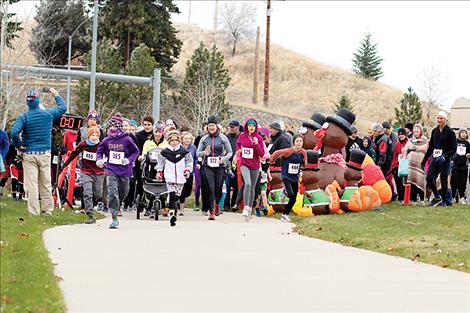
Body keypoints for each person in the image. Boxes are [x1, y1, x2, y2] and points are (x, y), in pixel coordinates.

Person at [10, 88, 66, 215]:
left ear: (27, 103)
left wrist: (19, 146)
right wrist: (55, 93)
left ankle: (34, 212)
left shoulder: (24, 116)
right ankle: (48, 210)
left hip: (29, 154)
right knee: (46, 183)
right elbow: (63, 108)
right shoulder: (48, 114)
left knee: (32, 184)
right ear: (38, 101)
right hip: (45, 154)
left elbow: (14, 132)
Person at [96, 114, 140, 228]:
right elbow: (99, 152)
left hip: (125, 170)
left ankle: (119, 204)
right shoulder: (106, 140)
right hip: (111, 169)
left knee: (123, 192)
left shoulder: (127, 139)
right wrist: (100, 160)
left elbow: (136, 152)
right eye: (110, 127)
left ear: (119, 128)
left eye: (114, 127)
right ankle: (114, 217)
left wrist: (128, 160)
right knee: (112, 193)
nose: (112, 129)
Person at [62, 122, 104, 224]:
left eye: (96, 135)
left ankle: (96, 202)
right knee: (87, 192)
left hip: (99, 172)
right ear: (88, 136)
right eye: (92, 135)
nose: (94, 138)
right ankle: (90, 215)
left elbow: (108, 156)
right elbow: (73, 154)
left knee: (98, 193)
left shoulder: (102, 145)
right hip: (86, 171)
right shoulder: (83, 144)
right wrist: (65, 164)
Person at [196, 116, 233, 220]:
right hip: (208, 166)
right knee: (211, 188)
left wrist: (224, 159)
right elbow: (197, 153)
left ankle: (217, 203)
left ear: (217, 126)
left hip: (220, 166)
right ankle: (212, 212)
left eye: (213, 125)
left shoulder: (223, 138)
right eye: (209, 126)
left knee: (218, 189)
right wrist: (204, 153)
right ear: (207, 127)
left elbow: (230, 152)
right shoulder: (204, 139)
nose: (211, 127)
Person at [156, 130, 193, 226]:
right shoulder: (164, 152)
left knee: (176, 197)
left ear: (179, 141)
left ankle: (173, 210)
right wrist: (159, 171)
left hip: (180, 178)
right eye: (172, 140)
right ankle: (172, 215)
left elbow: (189, 162)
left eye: (176, 140)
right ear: (168, 141)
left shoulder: (184, 152)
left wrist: (187, 170)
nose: (174, 142)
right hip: (169, 177)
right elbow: (160, 163)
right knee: (172, 195)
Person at [236, 118, 269, 221]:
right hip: (244, 164)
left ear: (255, 128)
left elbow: (262, 154)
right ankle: (246, 207)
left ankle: (250, 208)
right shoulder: (242, 136)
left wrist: (256, 144)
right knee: (248, 184)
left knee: (252, 188)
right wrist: (239, 150)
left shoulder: (258, 138)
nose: (251, 127)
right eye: (250, 126)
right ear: (246, 126)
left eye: (253, 126)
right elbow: (238, 144)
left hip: (255, 165)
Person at [421, 111, 457, 207]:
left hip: (445, 159)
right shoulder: (434, 131)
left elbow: (454, 149)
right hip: (435, 158)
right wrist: (424, 160)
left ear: (446, 119)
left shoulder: (450, 132)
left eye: (441, 118)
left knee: (443, 179)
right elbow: (431, 147)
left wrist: (445, 156)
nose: (439, 120)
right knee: (429, 178)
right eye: (438, 118)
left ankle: (444, 201)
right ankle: (437, 196)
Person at [269, 134, 307, 222]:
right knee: (290, 194)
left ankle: (285, 215)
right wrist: (272, 160)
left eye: (301, 141)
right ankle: (285, 192)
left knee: (294, 198)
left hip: (295, 177)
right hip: (286, 175)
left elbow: (305, 162)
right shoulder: (288, 151)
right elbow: (277, 153)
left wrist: (304, 164)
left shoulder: (303, 152)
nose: (299, 143)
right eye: (297, 141)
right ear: (293, 142)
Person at [403, 124, 428, 204]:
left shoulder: (425, 140)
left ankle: (422, 199)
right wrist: (409, 149)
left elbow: (425, 150)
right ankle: (413, 200)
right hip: (411, 165)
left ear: (421, 131)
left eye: (417, 131)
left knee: (420, 181)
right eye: (415, 131)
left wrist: (416, 148)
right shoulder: (410, 141)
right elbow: (404, 150)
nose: (416, 132)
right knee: (412, 181)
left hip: (420, 164)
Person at [179, 131, 197, 215]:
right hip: (180, 171)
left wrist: (197, 164)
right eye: (185, 138)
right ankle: (181, 208)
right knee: (182, 190)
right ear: (182, 140)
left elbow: (195, 157)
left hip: (190, 171)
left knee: (188, 191)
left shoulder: (193, 147)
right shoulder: (179, 147)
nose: (187, 140)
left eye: (189, 139)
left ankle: (180, 200)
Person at [225, 120, 241, 211]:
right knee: (227, 185)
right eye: (230, 127)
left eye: (233, 127)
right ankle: (226, 205)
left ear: (238, 127)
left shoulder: (242, 136)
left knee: (237, 186)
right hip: (229, 164)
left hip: (239, 164)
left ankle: (234, 204)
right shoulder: (227, 137)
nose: (231, 128)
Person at [451, 128, 470, 204]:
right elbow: (452, 151)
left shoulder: (467, 143)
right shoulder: (455, 142)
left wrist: (468, 155)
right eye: (462, 132)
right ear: (459, 133)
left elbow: (469, 152)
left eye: (465, 133)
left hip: (464, 166)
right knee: (454, 182)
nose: (463, 134)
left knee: (463, 182)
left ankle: (462, 197)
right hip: (455, 165)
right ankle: (452, 197)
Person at [390, 128, 409, 201]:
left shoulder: (408, 143)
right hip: (398, 165)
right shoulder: (397, 144)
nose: (401, 136)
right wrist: (393, 166)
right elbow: (395, 155)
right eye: (399, 134)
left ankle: (406, 197)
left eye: (402, 134)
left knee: (405, 182)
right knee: (398, 182)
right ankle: (400, 197)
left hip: (406, 165)